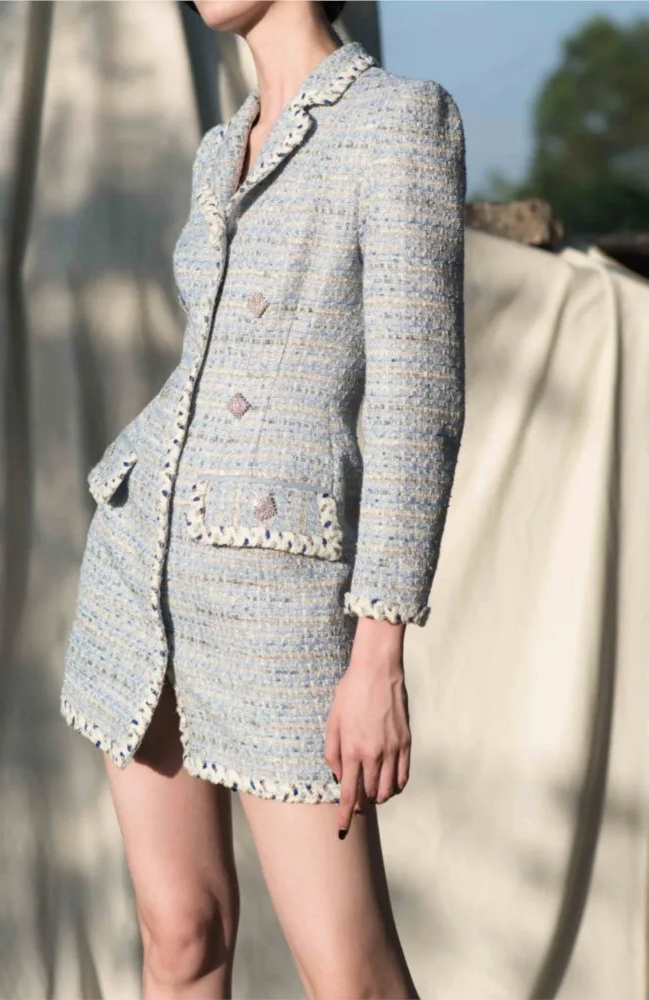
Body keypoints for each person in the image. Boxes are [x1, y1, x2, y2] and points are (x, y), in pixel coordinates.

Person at [59, 1, 466, 996]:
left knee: (352, 974)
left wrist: (378, 655)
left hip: (280, 605)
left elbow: (418, 401)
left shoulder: (400, 121)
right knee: (180, 934)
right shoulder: (221, 147)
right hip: (139, 567)